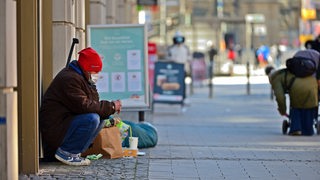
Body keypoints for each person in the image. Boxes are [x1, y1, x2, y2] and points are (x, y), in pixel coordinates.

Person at [40, 47, 122, 165]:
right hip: (55, 130)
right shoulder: (70, 79)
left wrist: (108, 106)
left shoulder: (81, 77)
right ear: (87, 68)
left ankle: (74, 152)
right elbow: (84, 106)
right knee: (92, 119)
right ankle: (66, 152)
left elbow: (92, 103)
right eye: (95, 71)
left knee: (101, 118)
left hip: (64, 124)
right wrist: (112, 106)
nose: (96, 75)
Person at [266, 49, 319, 136]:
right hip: (312, 85)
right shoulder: (295, 71)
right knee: (308, 107)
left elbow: (280, 97)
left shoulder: (276, 79)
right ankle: (308, 130)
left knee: (296, 107)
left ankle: (296, 128)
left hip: (297, 89)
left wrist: (282, 110)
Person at [167, 31, 192, 104]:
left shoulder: (185, 48)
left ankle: (183, 98)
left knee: (183, 85)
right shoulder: (171, 48)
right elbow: (168, 57)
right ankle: (174, 98)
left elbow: (189, 57)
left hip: (183, 69)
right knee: (173, 84)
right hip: (174, 69)